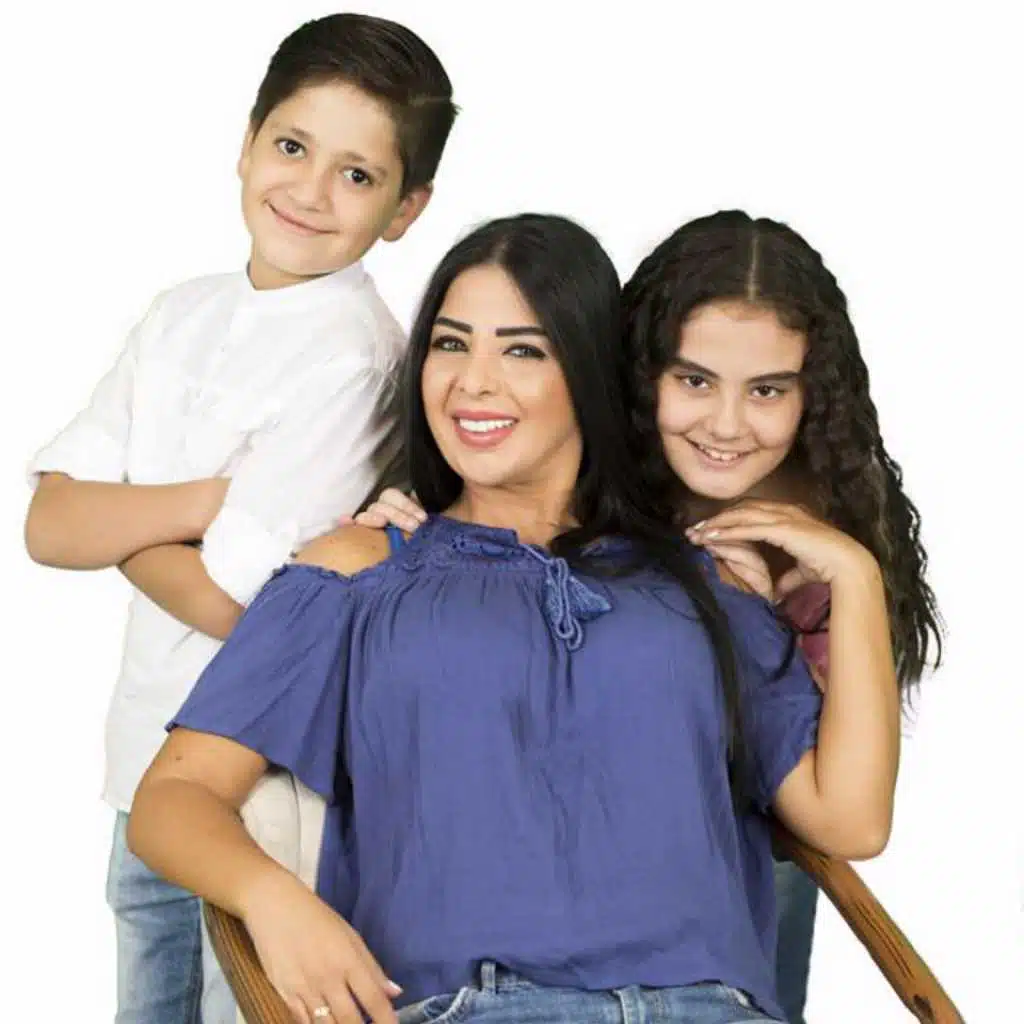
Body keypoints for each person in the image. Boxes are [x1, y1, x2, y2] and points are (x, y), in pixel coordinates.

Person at [127, 212, 899, 1024]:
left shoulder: (704, 580)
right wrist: (274, 901)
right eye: (450, 344)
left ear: (591, 373)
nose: (474, 382)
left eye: (523, 351)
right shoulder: (357, 570)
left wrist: (858, 577)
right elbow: (174, 797)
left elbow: (850, 820)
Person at [356, 210, 943, 1022]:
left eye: (767, 390)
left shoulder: (820, 526)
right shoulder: (592, 477)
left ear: (811, 397)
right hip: (562, 855)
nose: (726, 425)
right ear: (636, 375)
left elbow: (849, 814)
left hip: (748, 827)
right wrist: (409, 511)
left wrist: (853, 577)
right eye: (694, 380)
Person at [22, 13, 456, 1023]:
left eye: (358, 174)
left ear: (405, 209)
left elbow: (239, 606)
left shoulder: (354, 356)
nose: (309, 190)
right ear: (247, 141)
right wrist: (203, 502)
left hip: (260, 786)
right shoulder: (181, 312)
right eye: (292, 146)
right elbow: (46, 526)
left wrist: (118, 518)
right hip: (141, 762)